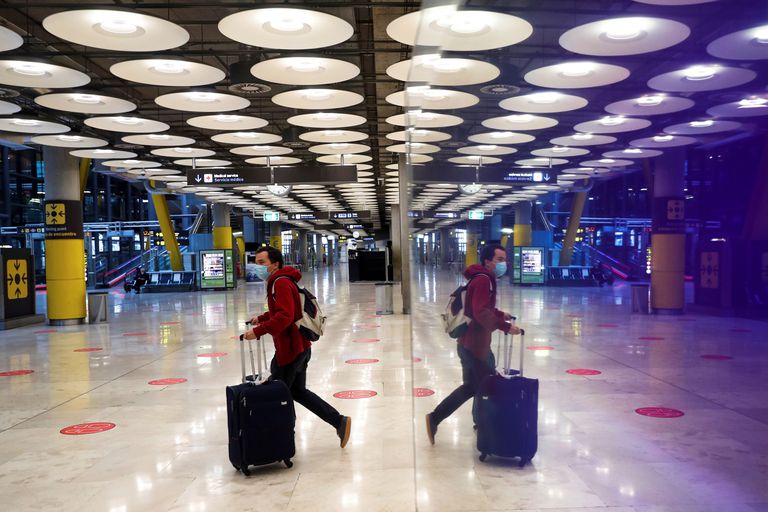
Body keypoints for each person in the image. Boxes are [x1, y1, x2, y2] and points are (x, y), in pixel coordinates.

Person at [243, 246, 352, 448]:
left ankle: (282, 442)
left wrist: (258, 331)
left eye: (262, 263)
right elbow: (286, 311)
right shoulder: (282, 280)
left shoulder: (280, 283)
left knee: (278, 395)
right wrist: (263, 318)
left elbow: (285, 317)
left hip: (290, 351)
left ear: (275, 264)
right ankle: (339, 422)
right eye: (256, 263)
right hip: (300, 347)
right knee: (297, 392)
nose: (257, 267)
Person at [425, 244, 522, 445]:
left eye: (504, 259)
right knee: (488, 385)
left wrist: (499, 314)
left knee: (472, 387)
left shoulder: (479, 278)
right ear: (487, 261)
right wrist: (505, 326)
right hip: (476, 347)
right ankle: (481, 424)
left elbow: (480, 307)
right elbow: (480, 312)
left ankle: (437, 418)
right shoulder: (484, 280)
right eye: (499, 259)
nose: (503, 263)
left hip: (468, 344)